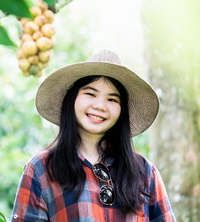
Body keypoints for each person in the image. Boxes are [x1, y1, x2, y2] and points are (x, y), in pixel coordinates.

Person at [11, 50, 176, 221]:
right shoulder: (42, 169)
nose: (100, 106)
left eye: (112, 99)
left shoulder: (145, 172)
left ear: (122, 111)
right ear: (72, 99)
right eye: (90, 94)